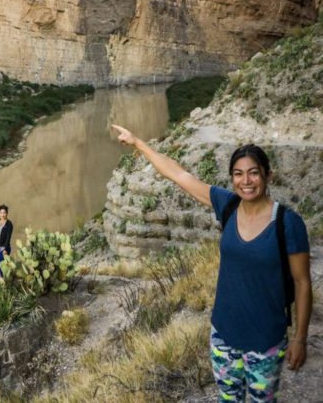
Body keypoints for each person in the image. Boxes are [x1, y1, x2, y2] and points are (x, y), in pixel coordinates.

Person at [111, 124, 312, 403]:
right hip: (223, 335)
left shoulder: (288, 223)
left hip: (265, 340)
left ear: (268, 175)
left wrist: (300, 338)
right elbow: (178, 174)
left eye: (254, 173)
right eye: (238, 174)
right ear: (232, 179)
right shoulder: (227, 204)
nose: (246, 181)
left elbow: (302, 283)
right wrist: (137, 143)